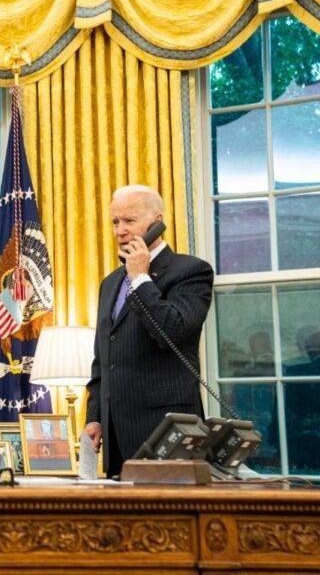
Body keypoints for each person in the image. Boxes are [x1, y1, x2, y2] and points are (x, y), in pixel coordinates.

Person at [84, 185, 214, 478]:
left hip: (166, 431)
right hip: (116, 436)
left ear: (157, 221)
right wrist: (94, 418)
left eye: (129, 221)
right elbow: (102, 360)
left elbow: (172, 331)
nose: (120, 231)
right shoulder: (110, 282)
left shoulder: (191, 271)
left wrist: (141, 277)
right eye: (115, 222)